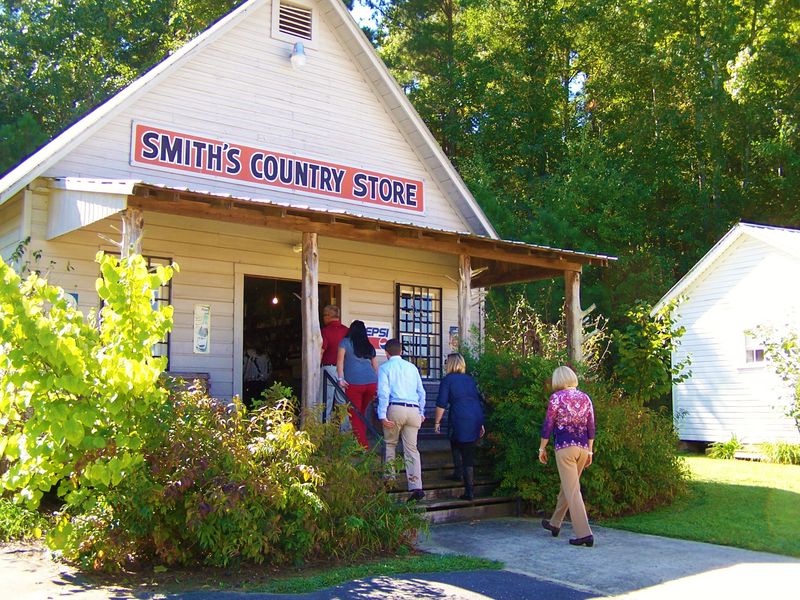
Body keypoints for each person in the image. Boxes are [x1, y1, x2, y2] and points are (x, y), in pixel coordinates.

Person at [538, 365, 596, 547]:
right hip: (583, 448)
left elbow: (548, 425)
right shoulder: (585, 397)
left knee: (572, 490)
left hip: (565, 448)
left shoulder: (556, 398)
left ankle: (584, 533)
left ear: (558, 380)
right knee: (568, 486)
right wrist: (590, 450)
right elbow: (591, 426)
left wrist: (542, 448)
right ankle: (555, 523)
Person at [377, 338, 426, 502]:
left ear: (386, 353)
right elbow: (421, 391)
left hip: (395, 407)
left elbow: (383, 392)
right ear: (402, 351)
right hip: (413, 410)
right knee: (412, 449)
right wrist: (422, 411)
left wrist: (382, 414)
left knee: (390, 444)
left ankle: (389, 481)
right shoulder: (412, 367)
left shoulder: (385, 368)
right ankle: (416, 486)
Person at [434, 353, 485, 500]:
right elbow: (477, 399)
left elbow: (441, 403)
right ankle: (461, 477)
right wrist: (481, 422)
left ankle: (468, 489)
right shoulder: (470, 379)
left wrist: (437, 422)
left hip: (460, 416)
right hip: (475, 415)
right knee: (464, 446)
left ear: (449, 364)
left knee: (457, 441)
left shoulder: (448, 380)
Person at [336, 320, 378, 449]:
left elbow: (339, 362)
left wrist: (340, 379)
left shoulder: (345, 342)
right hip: (371, 383)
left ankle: (363, 447)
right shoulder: (369, 346)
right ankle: (360, 442)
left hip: (354, 383)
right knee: (362, 413)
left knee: (354, 414)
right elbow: (376, 367)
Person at [320, 304, 349, 424]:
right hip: (343, 370)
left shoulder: (325, 331)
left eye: (323, 315)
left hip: (328, 368)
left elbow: (321, 351)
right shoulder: (347, 331)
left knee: (326, 402)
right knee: (342, 403)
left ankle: (323, 433)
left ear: (328, 316)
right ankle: (345, 433)